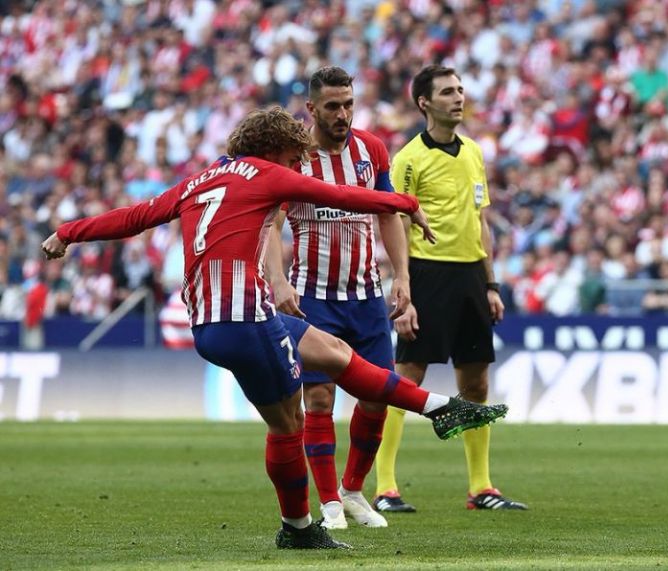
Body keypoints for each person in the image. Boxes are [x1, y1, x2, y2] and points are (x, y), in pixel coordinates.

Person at [40, 106, 508, 549]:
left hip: (214, 320)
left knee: (333, 353)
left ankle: (438, 407)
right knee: (289, 424)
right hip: (245, 319)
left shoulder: (199, 180)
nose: (297, 165)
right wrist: (405, 202)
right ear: (274, 149)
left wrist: (67, 232)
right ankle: (298, 529)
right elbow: (341, 196)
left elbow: (134, 217)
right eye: (293, 157)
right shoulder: (267, 173)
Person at [373, 65, 526, 512]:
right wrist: (404, 289)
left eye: (460, 89)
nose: (458, 97)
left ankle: (481, 488)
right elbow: (397, 224)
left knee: (476, 382)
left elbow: (480, 221)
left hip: (471, 277)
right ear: (425, 103)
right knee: (406, 379)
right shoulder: (408, 159)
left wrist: (491, 283)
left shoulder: (474, 152)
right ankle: (385, 487)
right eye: (447, 92)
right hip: (427, 273)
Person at [265, 66, 405, 530]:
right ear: (311, 109)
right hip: (314, 297)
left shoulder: (372, 150)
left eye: (348, 104)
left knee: (378, 396)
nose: (343, 114)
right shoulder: (294, 157)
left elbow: (388, 213)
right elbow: (271, 225)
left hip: (367, 296)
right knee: (320, 399)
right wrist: (279, 281)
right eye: (332, 106)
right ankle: (328, 503)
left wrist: (402, 275)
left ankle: (353, 490)